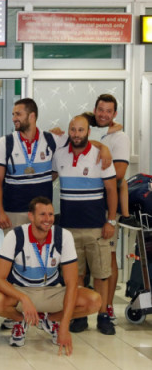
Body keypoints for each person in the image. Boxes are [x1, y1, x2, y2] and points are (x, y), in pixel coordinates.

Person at [0, 98, 111, 329]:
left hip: (43, 215)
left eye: (18, 114)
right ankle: (15, 312)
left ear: (32, 116)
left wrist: (104, 147)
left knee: (43, 259)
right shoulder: (4, 143)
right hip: (14, 212)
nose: (14, 118)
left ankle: (44, 309)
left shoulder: (52, 139)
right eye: (14, 114)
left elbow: (80, 139)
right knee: (14, 262)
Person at [0, 197, 101, 354]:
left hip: (52, 291)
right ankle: (21, 321)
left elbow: (72, 283)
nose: (47, 219)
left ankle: (50, 320)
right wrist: (23, 298)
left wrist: (64, 326)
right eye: (42, 214)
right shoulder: (15, 236)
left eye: (50, 214)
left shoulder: (63, 236)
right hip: (21, 290)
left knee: (94, 301)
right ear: (31, 216)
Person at [52, 115, 118, 335]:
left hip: (96, 227)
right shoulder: (60, 154)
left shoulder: (100, 155)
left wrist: (111, 221)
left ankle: (103, 316)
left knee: (101, 274)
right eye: (73, 130)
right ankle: (79, 316)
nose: (76, 134)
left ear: (88, 132)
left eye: (81, 130)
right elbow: (49, 176)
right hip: (69, 228)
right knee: (75, 275)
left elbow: (111, 190)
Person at [85, 94, 133, 323]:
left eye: (108, 111)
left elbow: (119, 174)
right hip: (84, 205)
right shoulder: (90, 130)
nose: (103, 114)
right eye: (100, 109)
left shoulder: (120, 138)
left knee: (108, 256)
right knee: (86, 259)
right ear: (95, 110)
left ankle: (108, 306)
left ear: (115, 114)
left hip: (106, 206)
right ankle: (85, 309)